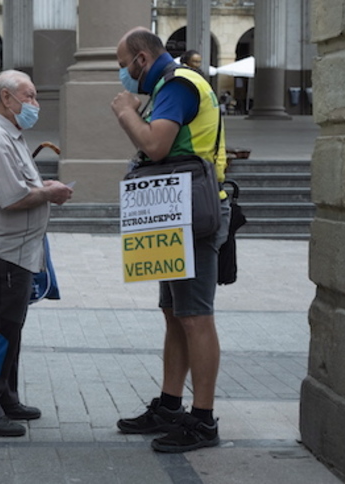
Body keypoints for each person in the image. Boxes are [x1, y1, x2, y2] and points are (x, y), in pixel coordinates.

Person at [111, 27, 230, 453]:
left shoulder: (179, 85)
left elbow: (156, 146)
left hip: (192, 213)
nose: (123, 76)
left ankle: (202, 420)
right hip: (175, 211)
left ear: (142, 58)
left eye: (124, 65)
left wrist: (126, 111)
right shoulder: (169, 84)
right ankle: (169, 404)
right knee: (174, 313)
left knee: (195, 315)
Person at [0, 69, 73, 437]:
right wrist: (49, 192)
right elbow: (13, 198)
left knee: (10, 328)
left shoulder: (8, 134)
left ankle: (4, 396)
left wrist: (43, 188)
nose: (35, 104)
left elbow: (23, 185)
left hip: (15, 252)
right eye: (29, 96)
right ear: (6, 98)